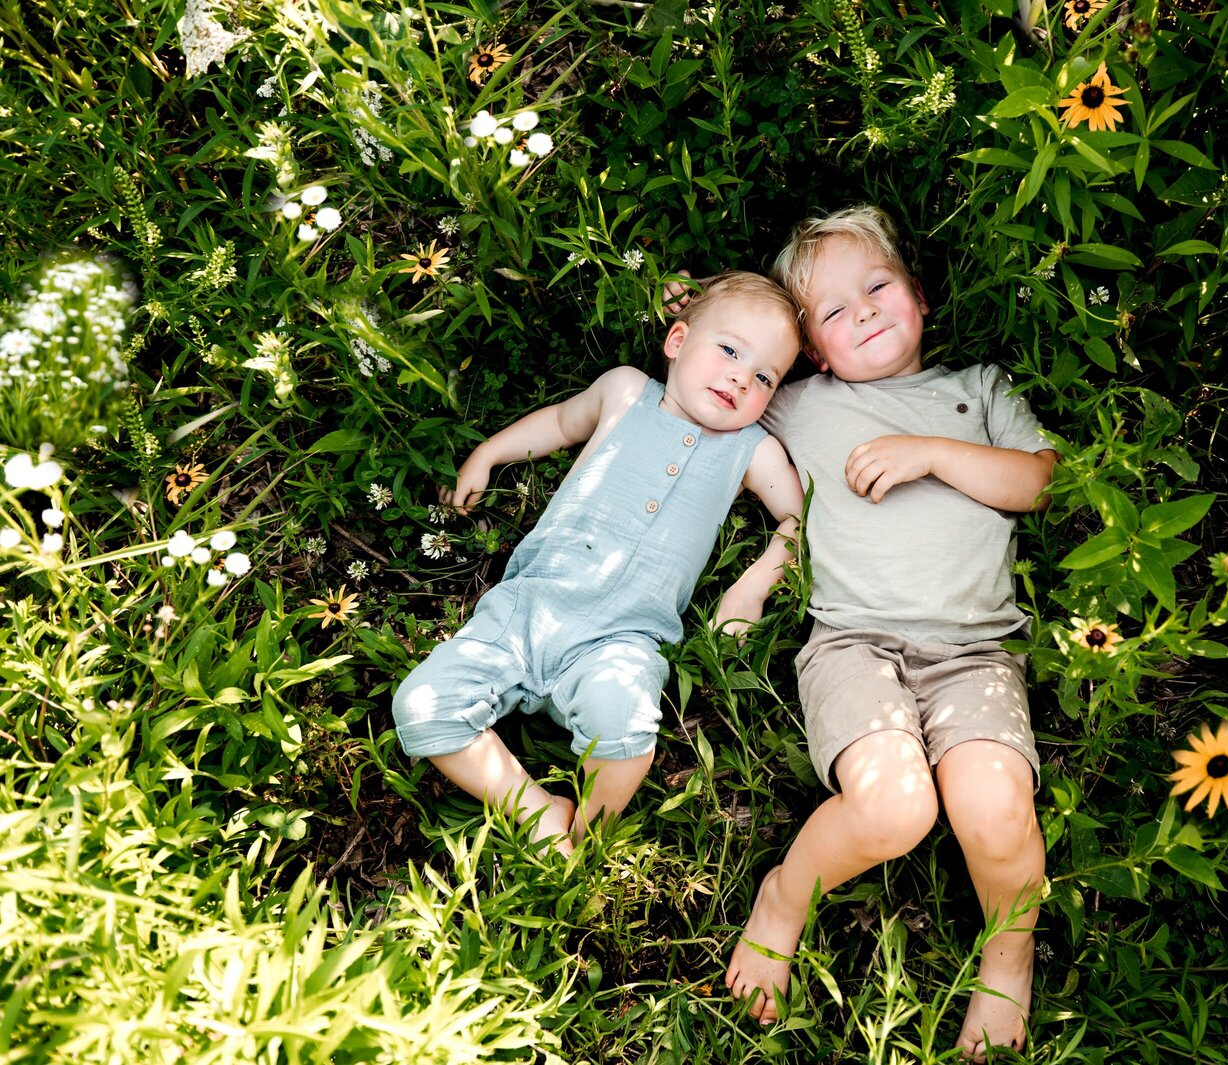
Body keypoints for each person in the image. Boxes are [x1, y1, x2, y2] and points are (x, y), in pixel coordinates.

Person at [720, 207, 1056, 1061]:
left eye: (877, 287)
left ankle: (1008, 951)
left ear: (921, 297)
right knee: (893, 804)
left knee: (996, 808)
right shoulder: (800, 402)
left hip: (977, 652)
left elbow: (1040, 482)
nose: (863, 310)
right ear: (814, 352)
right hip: (854, 643)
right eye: (832, 312)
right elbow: (718, 378)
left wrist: (933, 451)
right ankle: (785, 895)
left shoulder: (977, 390)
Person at [391, 271, 805, 856]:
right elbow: (562, 423)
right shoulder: (626, 391)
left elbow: (798, 519)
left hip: (622, 640)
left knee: (628, 735)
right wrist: (489, 453)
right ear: (678, 340)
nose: (742, 376)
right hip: (528, 607)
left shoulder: (750, 449)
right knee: (422, 705)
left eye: (765, 376)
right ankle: (533, 810)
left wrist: (753, 585)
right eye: (730, 349)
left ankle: (586, 830)